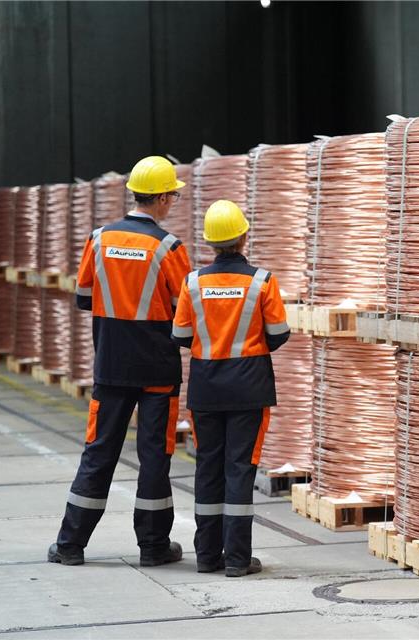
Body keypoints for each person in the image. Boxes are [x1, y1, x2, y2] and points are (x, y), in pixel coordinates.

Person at [50, 156, 191, 566]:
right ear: (162, 198)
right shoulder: (169, 248)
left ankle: (71, 545)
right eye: (174, 197)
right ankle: (153, 548)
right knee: (154, 458)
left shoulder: (99, 239)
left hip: (111, 366)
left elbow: (83, 297)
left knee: (98, 452)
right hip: (158, 372)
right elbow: (183, 311)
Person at [171, 199, 290, 577]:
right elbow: (278, 334)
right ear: (243, 235)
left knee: (208, 467)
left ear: (210, 243)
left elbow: (180, 335)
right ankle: (238, 559)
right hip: (249, 387)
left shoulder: (193, 282)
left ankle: (207, 556)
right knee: (240, 468)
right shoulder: (262, 281)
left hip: (206, 388)